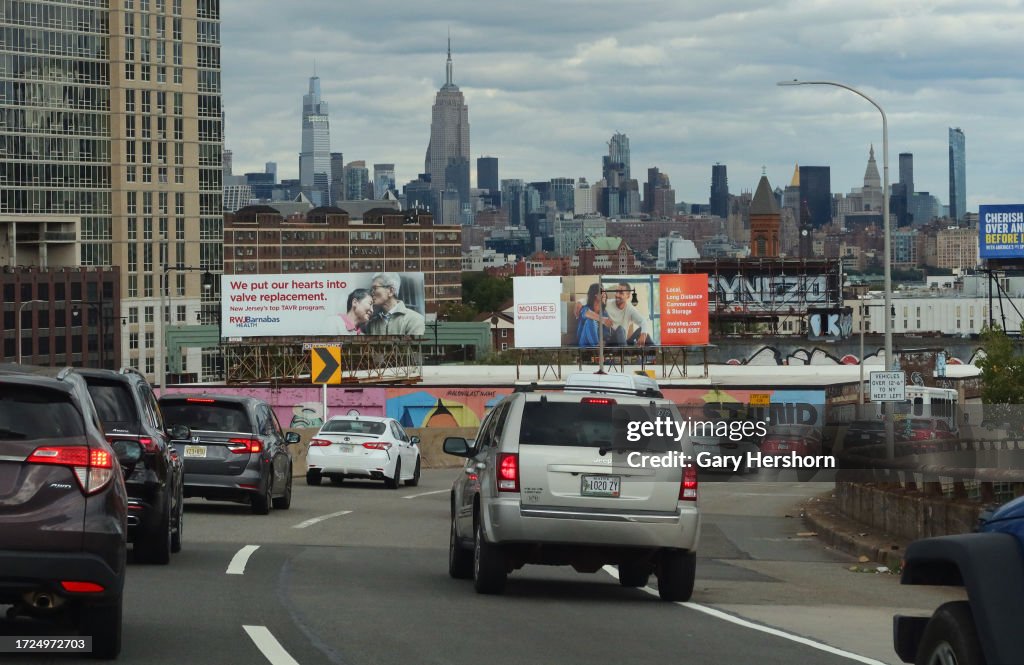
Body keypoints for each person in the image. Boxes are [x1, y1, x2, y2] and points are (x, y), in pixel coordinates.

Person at [576, 283, 613, 347]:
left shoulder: (604, 312)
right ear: (595, 294)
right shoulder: (585, 308)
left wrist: (605, 341)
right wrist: (603, 320)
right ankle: (597, 348)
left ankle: (598, 348)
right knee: (590, 321)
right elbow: (586, 313)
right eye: (602, 292)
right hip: (584, 344)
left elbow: (606, 333)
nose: (605, 295)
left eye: (605, 293)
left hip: (599, 344)